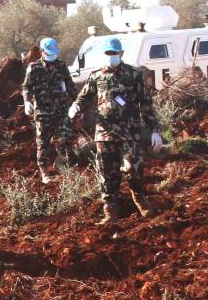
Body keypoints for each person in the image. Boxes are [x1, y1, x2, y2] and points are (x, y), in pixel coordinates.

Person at [68, 36, 163, 223]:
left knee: (133, 168)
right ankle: (110, 210)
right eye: (108, 53)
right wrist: (76, 107)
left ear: (121, 53)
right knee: (106, 172)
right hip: (104, 133)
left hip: (130, 133)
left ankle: (140, 199)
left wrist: (154, 130)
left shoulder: (134, 75)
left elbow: (146, 104)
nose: (111, 56)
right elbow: (83, 97)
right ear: (104, 54)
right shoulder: (96, 76)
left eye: (114, 53)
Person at [21, 38, 79, 184]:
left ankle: (60, 162)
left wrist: (77, 103)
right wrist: (27, 101)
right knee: (43, 143)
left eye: (54, 53)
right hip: (42, 111)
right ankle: (45, 172)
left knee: (68, 135)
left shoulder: (61, 65)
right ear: (41, 52)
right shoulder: (34, 68)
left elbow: (70, 84)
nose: (52, 56)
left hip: (61, 109)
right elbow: (26, 87)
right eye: (49, 53)